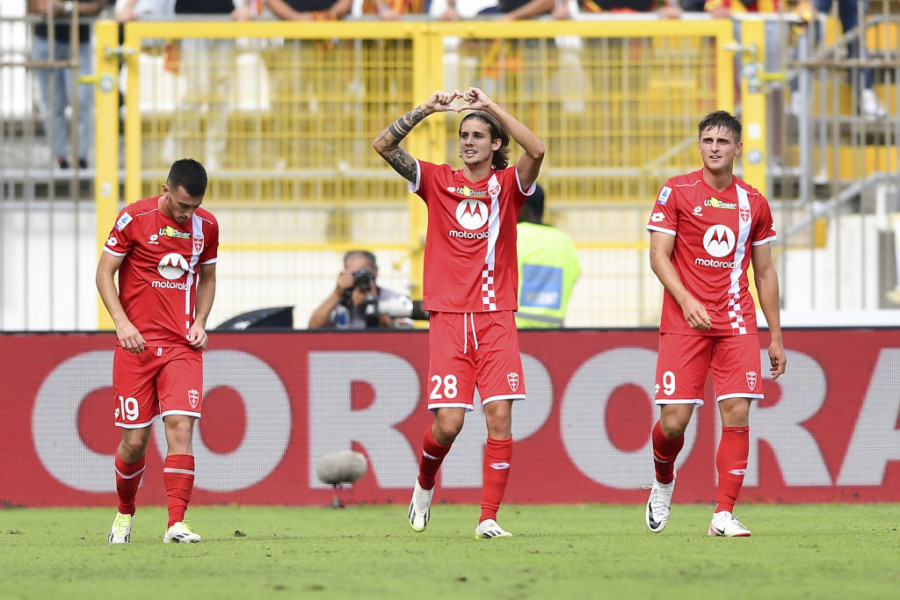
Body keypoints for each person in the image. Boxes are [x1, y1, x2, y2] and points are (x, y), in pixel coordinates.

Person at [373, 87, 545, 538]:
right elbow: (383, 145)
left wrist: (490, 106)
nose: (468, 142)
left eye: (478, 135)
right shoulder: (436, 180)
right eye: (464, 135)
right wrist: (426, 110)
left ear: (495, 144)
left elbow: (537, 149)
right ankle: (425, 483)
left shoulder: (508, 187)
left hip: (496, 317)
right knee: (448, 424)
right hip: (449, 319)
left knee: (500, 417)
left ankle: (488, 518)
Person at [644, 111, 786, 537]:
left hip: (735, 321)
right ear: (699, 145)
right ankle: (663, 480)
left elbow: (764, 272)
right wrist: (686, 300)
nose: (714, 148)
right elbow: (658, 256)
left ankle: (722, 514)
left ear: (738, 148)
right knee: (674, 423)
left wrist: (775, 336)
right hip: (684, 321)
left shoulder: (753, 202)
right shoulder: (676, 191)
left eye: (723, 141)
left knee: (738, 411)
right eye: (707, 140)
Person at [96, 158, 219, 544]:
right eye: (182, 205)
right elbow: (104, 273)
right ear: (165, 190)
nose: (188, 214)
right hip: (136, 347)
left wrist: (200, 321)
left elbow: (208, 278)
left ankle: (176, 523)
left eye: (195, 206)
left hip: (182, 346)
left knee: (181, 427)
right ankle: (124, 512)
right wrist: (122, 324)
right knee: (134, 442)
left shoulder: (207, 226)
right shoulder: (134, 217)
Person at [29, 0, 109, 169]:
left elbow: (98, 6)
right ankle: (61, 160)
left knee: (81, 100)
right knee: (54, 104)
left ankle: (81, 158)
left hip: (79, 41)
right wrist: (75, 8)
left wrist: (64, 8)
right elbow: (39, 6)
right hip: (45, 39)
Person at [515, 184, 581, 328]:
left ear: (524, 207)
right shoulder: (564, 242)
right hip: (553, 330)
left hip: (514, 329)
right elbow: (575, 274)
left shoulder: (515, 235)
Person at [307, 250, 413, 329]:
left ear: (375, 271)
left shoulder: (396, 299)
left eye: (363, 273)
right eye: (354, 274)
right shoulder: (340, 301)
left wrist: (371, 304)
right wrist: (337, 293)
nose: (359, 279)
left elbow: (405, 333)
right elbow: (313, 328)